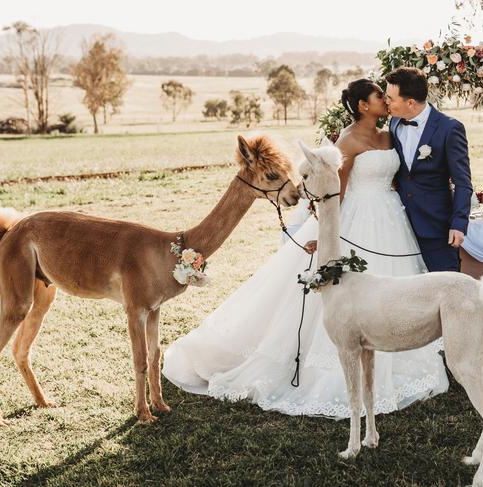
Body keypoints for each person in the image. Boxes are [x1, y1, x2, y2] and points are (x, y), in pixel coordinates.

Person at [162, 79, 448, 419]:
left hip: (390, 218)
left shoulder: (391, 135)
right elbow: (334, 194)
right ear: (361, 105)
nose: (385, 101)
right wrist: (327, 235)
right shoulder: (347, 141)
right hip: (356, 219)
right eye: (378, 96)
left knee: (392, 289)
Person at [385, 67, 473, 272]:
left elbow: (463, 182)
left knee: (446, 289)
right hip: (400, 226)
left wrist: (458, 224)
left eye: (390, 98)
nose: (386, 102)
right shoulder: (394, 123)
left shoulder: (450, 129)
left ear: (410, 103)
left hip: (436, 228)